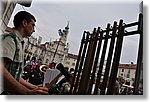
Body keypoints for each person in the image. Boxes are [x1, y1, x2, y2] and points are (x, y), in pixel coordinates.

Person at [1, 11, 48, 95]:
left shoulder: (18, 42)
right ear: (24, 23)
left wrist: (33, 87)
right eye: (32, 25)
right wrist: (26, 91)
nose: (34, 30)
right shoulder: (11, 40)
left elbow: (14, 75)